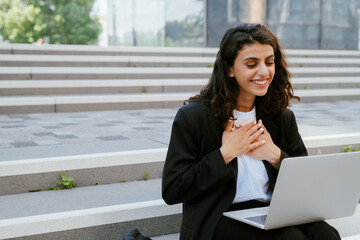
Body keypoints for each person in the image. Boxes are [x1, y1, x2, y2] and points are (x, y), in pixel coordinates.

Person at [161, 23, 340, 240]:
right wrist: (225, 153)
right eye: (251, 64)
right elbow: (173, 189)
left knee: (326, 235)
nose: (263, 72)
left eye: (269, 62)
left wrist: (275, 156)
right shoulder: (194, 117)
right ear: (229, 69)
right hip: (219, 218)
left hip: (273, 210)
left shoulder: (280, 117)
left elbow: (305, 179)